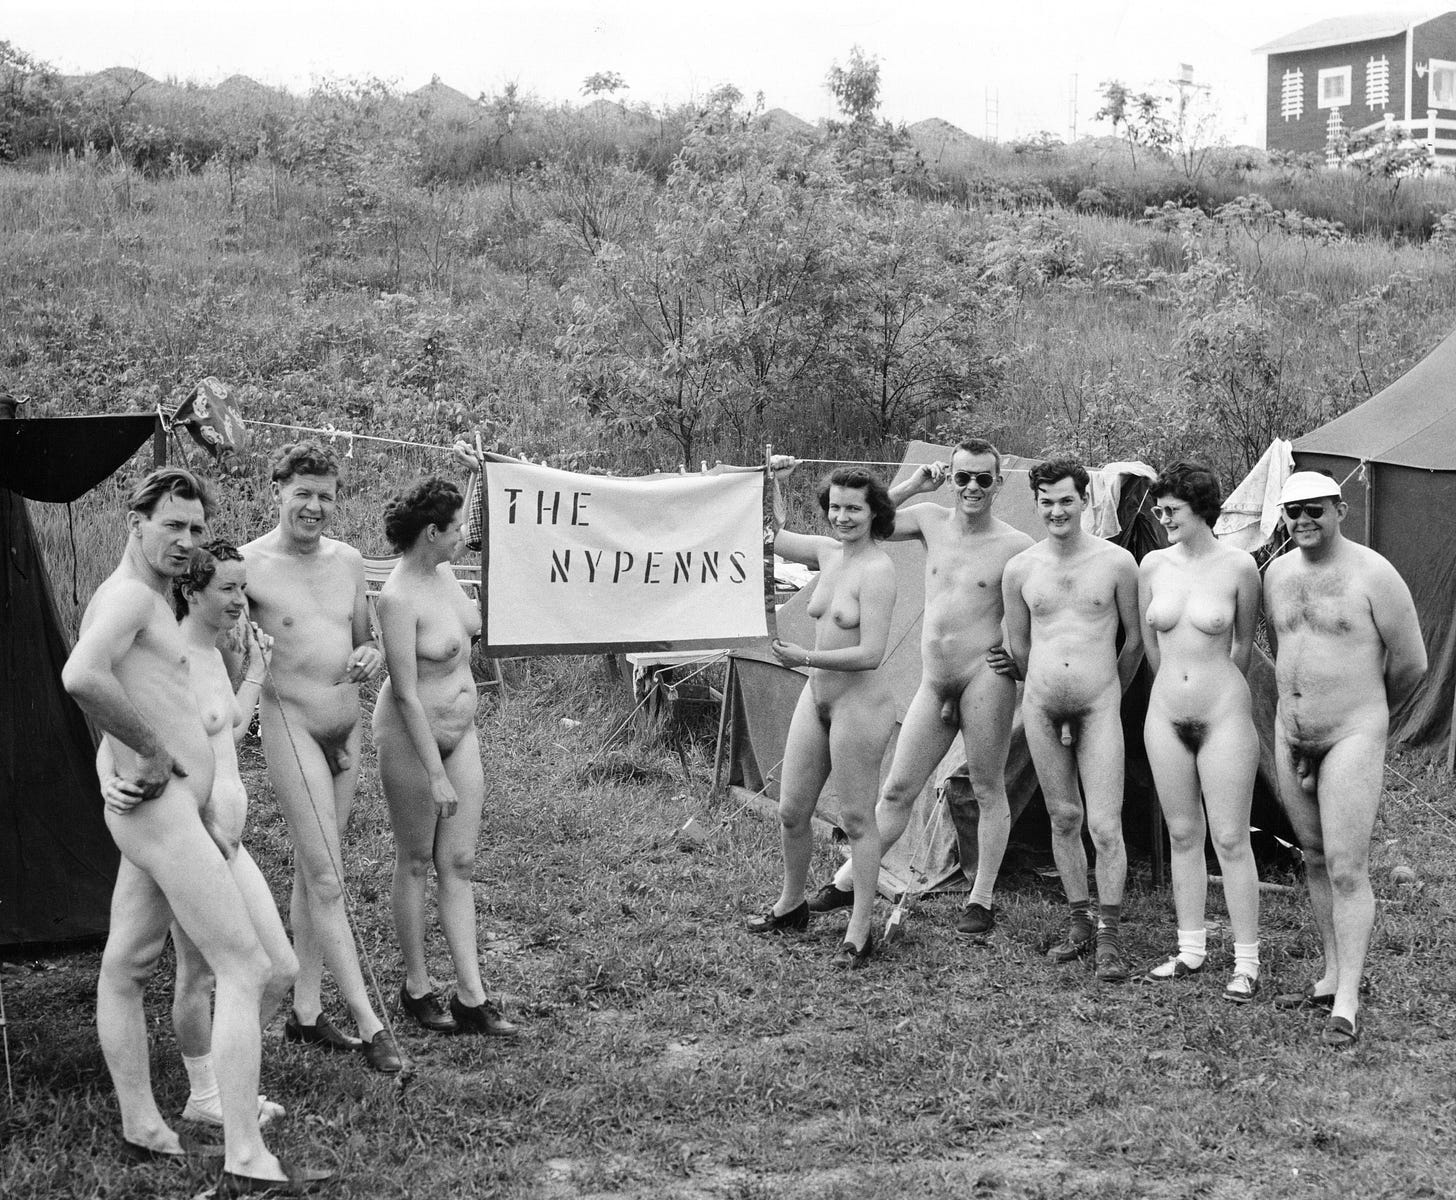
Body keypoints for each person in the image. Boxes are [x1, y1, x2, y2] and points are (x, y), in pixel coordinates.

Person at [62, 470, 329, 1192]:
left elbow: (136, 690)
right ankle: (244, 1147)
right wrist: (147, 754)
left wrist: (119, 762)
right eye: (171, 525)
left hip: (174, 809)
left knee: (127, 963)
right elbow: (82, 675)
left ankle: (141, 1120)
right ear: (135, 520)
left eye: (194, 530)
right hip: (161, 810)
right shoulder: (126, 597)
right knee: (242, 965)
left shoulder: (148, 601)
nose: (184, 542)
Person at [99, 542, 296, 1132]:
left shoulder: (214, 655)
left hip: (230, 836)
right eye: (229, 589)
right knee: (209, 972)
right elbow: (123, 727)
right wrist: (109, 778)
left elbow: (226, 726)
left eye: (244, 588)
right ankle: (209, 1094)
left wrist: (256, 673)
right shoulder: (171, 651)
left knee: (275, 970)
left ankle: (217, 1087)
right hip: (194, 835)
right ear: (192, 590)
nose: (242, 601)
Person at [803, 440, 1032, 937]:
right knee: (898, 788)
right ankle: (846, 882)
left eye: (983, 479)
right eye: (962, 476)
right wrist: (911, 485)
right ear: (950, 477)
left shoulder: (1016, 545)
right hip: (934, 679)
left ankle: (981, 897)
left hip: (983, 678)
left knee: (987, 787)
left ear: (999, 483)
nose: (972, 487)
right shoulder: (929, 519)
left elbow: (1043, 598)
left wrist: (1021, 660)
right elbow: (871, 525)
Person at [241, 442, 402, 1073]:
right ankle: (370, 1022)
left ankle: (306, 1013)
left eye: (325, 495)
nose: (313, 506)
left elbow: (366, 640)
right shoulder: (249, 566)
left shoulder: (350, 562)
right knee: (330, 876)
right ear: (277, 490)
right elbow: (227, 647)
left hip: (347, 730)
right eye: (301, 493)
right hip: (292, 727)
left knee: (316, 870)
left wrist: (373, 656)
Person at [1263, 470, 1426, 1047]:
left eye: (1315, 510)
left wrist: (1364, 716)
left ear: (1340, 510)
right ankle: (1331, 974)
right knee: (1310, 855)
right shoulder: (1277, 574)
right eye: (1292, 512)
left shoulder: (1374, 574)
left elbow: (1411, 664)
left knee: (1347, 866)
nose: (1303, 520)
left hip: (1353, 735)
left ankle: (1349, 1001)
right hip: (1291, 735)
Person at [372, 472, 519, 1038]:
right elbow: (405, 691)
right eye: (456, 529)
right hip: (413, 740)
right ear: (432, 532)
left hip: (464, 735)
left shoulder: (446, 575)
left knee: (458, 863)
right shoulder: (396, 598)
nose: (463, 537)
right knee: (414, 860)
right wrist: (435, 773)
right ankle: (415, 987)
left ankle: (471, 995)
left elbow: (470, 635)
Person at [745, 463, 898, 968]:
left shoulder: (879, 569)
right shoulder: (825, 553)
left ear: (874, 511)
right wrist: (774, 480)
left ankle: (860, 930)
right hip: (817, 696)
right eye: (835, 507)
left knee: (856, 819)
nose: (842, 516)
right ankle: (791, 906)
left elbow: (872, 652)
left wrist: (804, 658)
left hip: (860, 701)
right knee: (791, 811)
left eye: (854, 508)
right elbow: (768, 536)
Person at [999, 459, 1143, 982]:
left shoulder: (1118, 562)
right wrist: (1044, 687)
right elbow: (1019, 645)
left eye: (1066, 500)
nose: (1056, 510)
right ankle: (1079, 921)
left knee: (1105, 825)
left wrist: (1105, 693)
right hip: (1039, 706)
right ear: (1035, 503)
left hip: (1099, 706)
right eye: (1046, 501)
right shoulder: (1020, 569)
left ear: (1085, 499)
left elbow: (1134, 641)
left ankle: (1110, 935)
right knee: (1064, 816)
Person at [1137, 463, 1264, 1002]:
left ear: (1202, 511)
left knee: (1231, 838)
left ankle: (1247, 960)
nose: (1162, 518)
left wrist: (1211, 689)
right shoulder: (1151, 565)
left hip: (1224, 715)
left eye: (1173, 511)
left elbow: (1242, 647)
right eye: (1159, 509)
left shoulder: (1240, 567)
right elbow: (1150, 646)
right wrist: (1173, 689)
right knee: (1183, 833)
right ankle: (1191, 947)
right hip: (1164, 713)